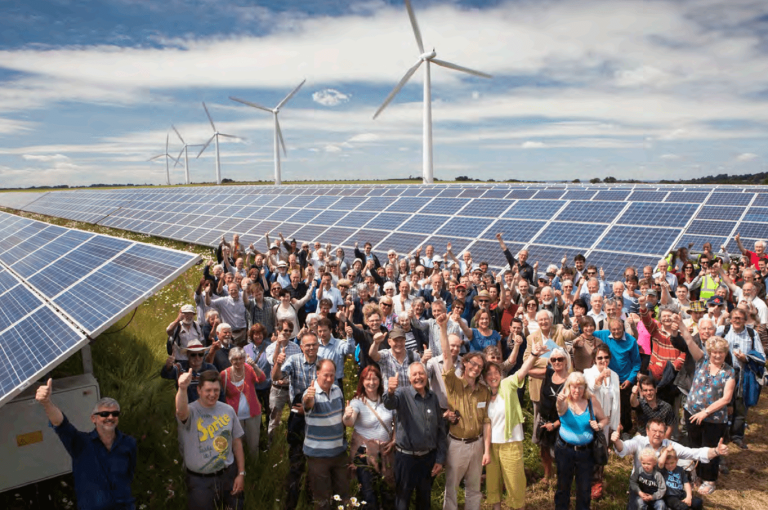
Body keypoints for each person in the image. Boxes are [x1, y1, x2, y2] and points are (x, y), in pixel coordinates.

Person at [35, 379, 137, 510]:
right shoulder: (80, 442)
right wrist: (47, 403)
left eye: (115, 413)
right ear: (93, 418)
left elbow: (129, 476)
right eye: (104, 414)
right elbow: (61, 424)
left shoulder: (129, 443)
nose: (110, 417)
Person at [484, 339, 549, 510]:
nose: (492, 377)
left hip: (511, 443)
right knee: (492, 482)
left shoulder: (507, 384)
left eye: (495, 373)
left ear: (500, 373)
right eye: (488, 374)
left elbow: (522, 372)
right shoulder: (481, 393)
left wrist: (534, 355)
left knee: (515, 482)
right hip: (491, 446)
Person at [611, 418, 729, 510]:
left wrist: (716, 451)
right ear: (647, 431)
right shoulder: (638, 441)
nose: (657, 434)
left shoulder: (670, 445)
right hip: (640, 486)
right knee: (639, 505)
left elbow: (692, 453)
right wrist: (617, 441)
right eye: (654, 431)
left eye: (661, 431)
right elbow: (624, 448)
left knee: (661, 506)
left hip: (661, 489)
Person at [437, 315, 491, 510]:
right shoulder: (453, 384)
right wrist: (443, 328)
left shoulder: (483, 391)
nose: (476, 368)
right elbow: (446, 355)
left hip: (476, 444)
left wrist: (486, 450)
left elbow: (486, 421)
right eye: (473, 364)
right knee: (451, 488)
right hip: (456, 445)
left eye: (480, 367)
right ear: (465, 363)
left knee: (474, 488)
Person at [676, 315, 735, 495]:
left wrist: (705, 412)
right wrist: (680, 325)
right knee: (694, 445)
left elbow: (726, 399)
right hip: (691, 412)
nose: (717, 355)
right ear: (709, 352)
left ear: (725, 353)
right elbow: (688, 340)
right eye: (714, 352)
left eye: (721, 352)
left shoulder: (729, 372)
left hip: (714, 418)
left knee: (710, 447)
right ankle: (696, 475)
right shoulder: (701, 360)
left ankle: (709, 479)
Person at [176, 370, 245, 510]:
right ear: (199, 390)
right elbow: (180, 411)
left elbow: (236, 442)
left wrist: (241, 473)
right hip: (200, 482)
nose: (212, 394)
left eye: (216, 390)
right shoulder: (191, 411)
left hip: (228, 475)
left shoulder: (228, 410)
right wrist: (182, 388)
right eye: (208, 390)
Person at [383, 362, 447, 510]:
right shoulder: (402, 394)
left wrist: (440, 458)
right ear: (409, 378)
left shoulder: (433, 397)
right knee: (402, 501)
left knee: (424, 501)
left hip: (427, 459)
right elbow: (389, 403)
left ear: (426, 376)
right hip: (406, 459)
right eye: (414, 374)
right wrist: (390, 391)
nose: (418, 377)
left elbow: (440, 429)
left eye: (421, 373)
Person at [272, 331, 321, 510]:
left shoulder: (323, 364)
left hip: (317, 415)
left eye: (314, 344)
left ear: (318, 345)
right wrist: (277, 363)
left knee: (315, 460)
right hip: (297, 416)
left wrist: (309, 409)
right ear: (301, 347)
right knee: (296, 461)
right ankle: (291, 502)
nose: (311, 348)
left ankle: (310, 499)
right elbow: (275, 377)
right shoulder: (293, 361)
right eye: (307, 345)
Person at [343, 365, 395, 510]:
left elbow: (396, 421)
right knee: (368, 494)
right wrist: (347, 416)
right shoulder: (357, 402)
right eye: (367, 379)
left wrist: (394, 439)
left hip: (386, 452)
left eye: (374, 378)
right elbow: (350, 422)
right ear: (362, 381)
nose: (371, 382)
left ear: (380, 380)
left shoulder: (387, 400)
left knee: (388, 491)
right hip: (364, 454)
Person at [554, 371, 609, 510]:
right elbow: (560, 410)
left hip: (586, 452)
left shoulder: (591, 400)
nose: (576, 390)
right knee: (563, 486)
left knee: (584, 489)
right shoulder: (564, 401)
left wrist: (600, 425)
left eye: (580, 387)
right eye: (573, 386)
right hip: (565, 450)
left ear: (584, 388)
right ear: (568, 387)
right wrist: (559, 400)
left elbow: (604, 418)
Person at [715, 306, 765, 450]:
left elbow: (761, 356)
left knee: (741, 405)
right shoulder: (722, 331)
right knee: (723, 404)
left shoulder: (751, 333)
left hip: (744, 374)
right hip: (724, 374)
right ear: (730, 319)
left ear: (745, 320)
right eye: (735, 317)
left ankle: (737, 436)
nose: (737, 320)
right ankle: (722, 436)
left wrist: (746, 358)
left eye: (740, 318)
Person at [302, 359, 350, 509]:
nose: (329, 379)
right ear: (317, 374)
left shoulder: (337, 390)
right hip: (318, 456)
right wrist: (308, 399)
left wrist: (348, 416)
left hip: (339, 453)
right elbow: (307, 404)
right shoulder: (311, 392)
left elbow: (341, 418)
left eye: (332, 375)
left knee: (344, 496)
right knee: (322, 500)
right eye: (325, 375)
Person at [593, 318, 641, 436]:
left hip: (624, 380)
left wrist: (630, 379)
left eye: (619, 329)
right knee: (608, 406)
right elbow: (586, 331)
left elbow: (636, 363)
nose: (616, 331)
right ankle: (608, 431)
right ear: (609, 329)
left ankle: (625, 431)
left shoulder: (631, 341)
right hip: (607, 379)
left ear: (623, 328)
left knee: (624, 407)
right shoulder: (603, 335)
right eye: (613, 329)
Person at [584, 344, 620, 499]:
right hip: (591, 419)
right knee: (587, 450)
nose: (603, 360)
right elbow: (590, 390)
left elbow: (616, 402)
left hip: (606, 421)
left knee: (601, 450)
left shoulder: (615, 375)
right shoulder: (587, 373)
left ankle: (597, 481)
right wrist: (599, 377)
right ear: (594, 359)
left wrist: (615, 426)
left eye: (606, 357)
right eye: (600, 357)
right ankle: (585, 480)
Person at [220, 346, 267, 459]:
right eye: (234, 359)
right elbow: (220, 395)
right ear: (230, 360)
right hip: (235, 416)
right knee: (237, 443)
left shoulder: (249, 369)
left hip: (253, 413)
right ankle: (238, 466)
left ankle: (254, 466)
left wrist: (254, 366)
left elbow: (262, 379)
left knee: (253, 443)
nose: (238, 361)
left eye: (241, 358)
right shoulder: (224, 375)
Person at [535, 346, 572, 480]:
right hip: (544, 418)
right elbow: (527, 370)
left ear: (566, 361)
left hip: (562, 422)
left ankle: (562, 476)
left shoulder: (571, 380)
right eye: (554, 359)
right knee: (544, 449)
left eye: (560, 359)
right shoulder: (548, 374)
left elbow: (573, 408)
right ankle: (547, 474)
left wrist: (555, 424)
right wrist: (536, 354)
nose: (557, 362)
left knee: (560, 452)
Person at [243, 323, 272, 437]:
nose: (258, 336)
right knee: (256, 411)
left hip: (267, 384)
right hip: (253, 386)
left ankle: (270, 433)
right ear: (252, 335)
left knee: (269, 410)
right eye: (255, 334)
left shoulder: (269, 347)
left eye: (260, 333)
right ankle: (259, 432)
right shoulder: (246, 349)